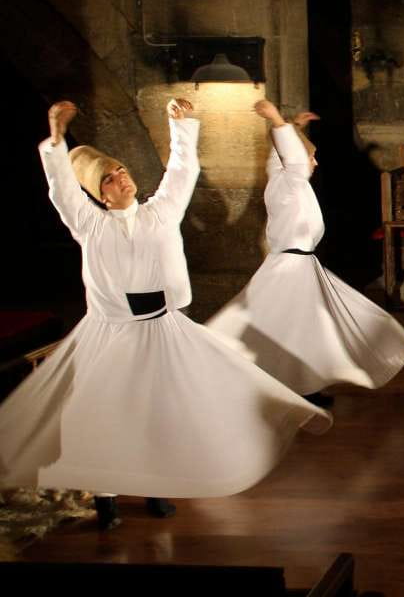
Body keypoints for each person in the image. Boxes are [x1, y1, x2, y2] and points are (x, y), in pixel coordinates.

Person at [0, 99, 331, 530]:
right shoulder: (89, 223)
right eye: (112, 178)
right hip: (113, 329)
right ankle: (107, 496)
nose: (123, 179)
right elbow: (62, 190)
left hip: (161, 326)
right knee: (109, 412)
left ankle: (155, 486)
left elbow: (182, 173)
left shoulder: (160, 213)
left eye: (123, 172)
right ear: (100, 192)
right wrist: (57, 138)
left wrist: (181, 127)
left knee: (157, 408)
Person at [207, 101, 404, 404]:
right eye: (312, 157)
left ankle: (302, 384)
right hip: (291, 267)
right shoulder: (290, 181)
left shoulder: (283, 179)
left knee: (303, 327)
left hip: (298, 265)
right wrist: (279, 120)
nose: (315, 163)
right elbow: (290, 156)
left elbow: (281, 156)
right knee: (299, 326)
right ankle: (297, 386)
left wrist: (294, 127)